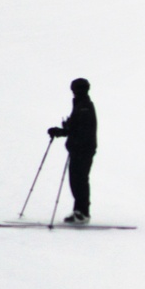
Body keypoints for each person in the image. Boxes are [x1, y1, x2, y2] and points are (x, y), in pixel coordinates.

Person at [47, 78, 97, 224]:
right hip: (79, 149)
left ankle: (82, 213)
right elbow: (75, 128)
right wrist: (63, 130)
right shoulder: (81, 105)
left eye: (76, 89)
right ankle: (79, 211)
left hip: (83, 149)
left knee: (79, 180)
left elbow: (81, 130)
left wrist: (64, 131)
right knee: (76, 181)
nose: (74, 92)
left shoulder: (84, 107)